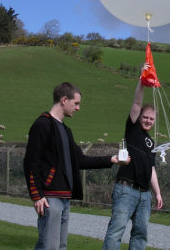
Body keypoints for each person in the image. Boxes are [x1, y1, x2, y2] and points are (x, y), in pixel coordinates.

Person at [24, 81, 129, 250]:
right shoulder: (42, 125)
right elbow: (31, 163)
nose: (78, 108)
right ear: (64, 99)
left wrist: (112, 159)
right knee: (49, 246)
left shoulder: (66, 131)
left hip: (65, 198)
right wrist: (37, 195)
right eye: (76, 103)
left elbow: (81, 160)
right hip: (50, 198)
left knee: (61, 246)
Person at [102, 75, 163, 250]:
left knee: (140, 234)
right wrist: (142, 81)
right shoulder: (133, 128)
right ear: (140, 117)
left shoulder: (151, 142)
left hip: (144, 195)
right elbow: (137, 103)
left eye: (152, 119)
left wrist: (157, 193)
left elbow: (152, 169)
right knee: (116, 232)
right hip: (126, 189)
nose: (148, 121)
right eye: (146, 117)